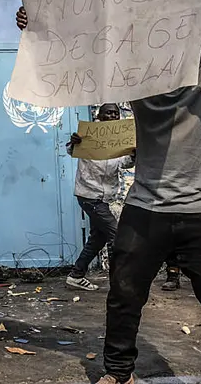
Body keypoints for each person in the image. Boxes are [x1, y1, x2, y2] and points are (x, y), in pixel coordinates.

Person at [17, 0, 201, 384]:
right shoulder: (136, 77)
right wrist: (38, 25)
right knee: (123, 296)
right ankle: (118, 373)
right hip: (146, 206)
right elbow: (73, 56)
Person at [65, 103, 135, 292]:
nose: (112, 115)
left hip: (104, 197)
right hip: (89, 195)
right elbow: (71, 150)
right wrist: (75, 142)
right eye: (108, 112)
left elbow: (125, 163)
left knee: (98, 238)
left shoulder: (118, 139)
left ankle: (76, 275)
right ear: (99, 115)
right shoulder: (88, 136)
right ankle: (118, 282)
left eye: (115, 113)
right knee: (115, 234)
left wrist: (134, 155)